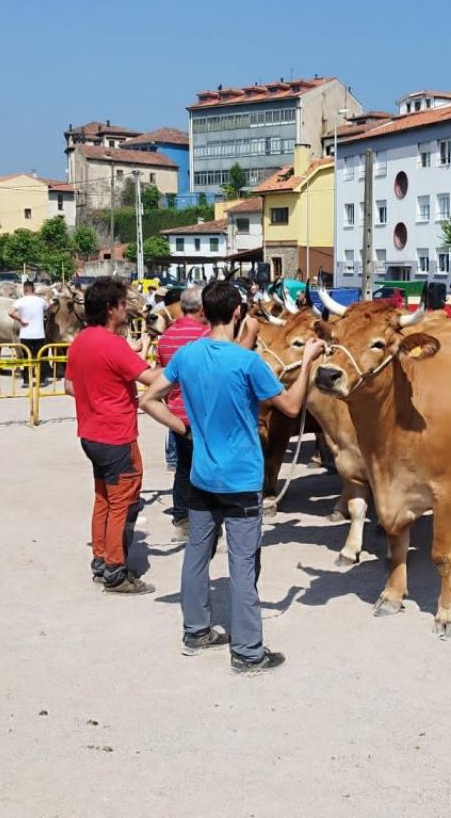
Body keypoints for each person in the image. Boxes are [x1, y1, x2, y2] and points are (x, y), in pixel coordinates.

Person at [141, 280, 324, 674]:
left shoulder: (187, 356)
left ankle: (196, 632)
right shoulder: (248, 362)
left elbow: (147, 399)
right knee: (243, 564)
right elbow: (291, 407)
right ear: (239, 313)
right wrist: (308, 360)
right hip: (241, 480)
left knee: (197, 553)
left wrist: (181, 428)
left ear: (203, 313)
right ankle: (247, 652)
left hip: (201, 476)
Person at [64, 278, 160, 593]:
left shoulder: (80, 340)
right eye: (122, 304)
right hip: (115, 435)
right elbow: (150, 379)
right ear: (110, 309)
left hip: (91, 434)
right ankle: (116, 571)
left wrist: (97, 394)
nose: (126, 309)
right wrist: (184, 366)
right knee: (123, 502)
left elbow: (69, 386)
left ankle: (101, 560)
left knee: (104, 499)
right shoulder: (113, 343)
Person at [154, 286, 211, 537]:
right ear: (201, 308)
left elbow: (160, 374)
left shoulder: (166, 337)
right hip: (205, 413)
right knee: (206, 465)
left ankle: (181, 514)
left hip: (176, 413)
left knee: (184, 467)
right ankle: (204, 515)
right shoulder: (208, 336)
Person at [9, 280, 49, 387]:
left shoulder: (20, 301)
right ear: (34, 289)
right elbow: (47, 310)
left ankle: (26, 380)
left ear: (24, 289)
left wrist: (20, 320)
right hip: (39, 334)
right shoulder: (41, 301)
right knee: (41, 358)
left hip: (25, 334)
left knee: (27, 358)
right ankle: (41, 380)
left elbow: (10, 312)